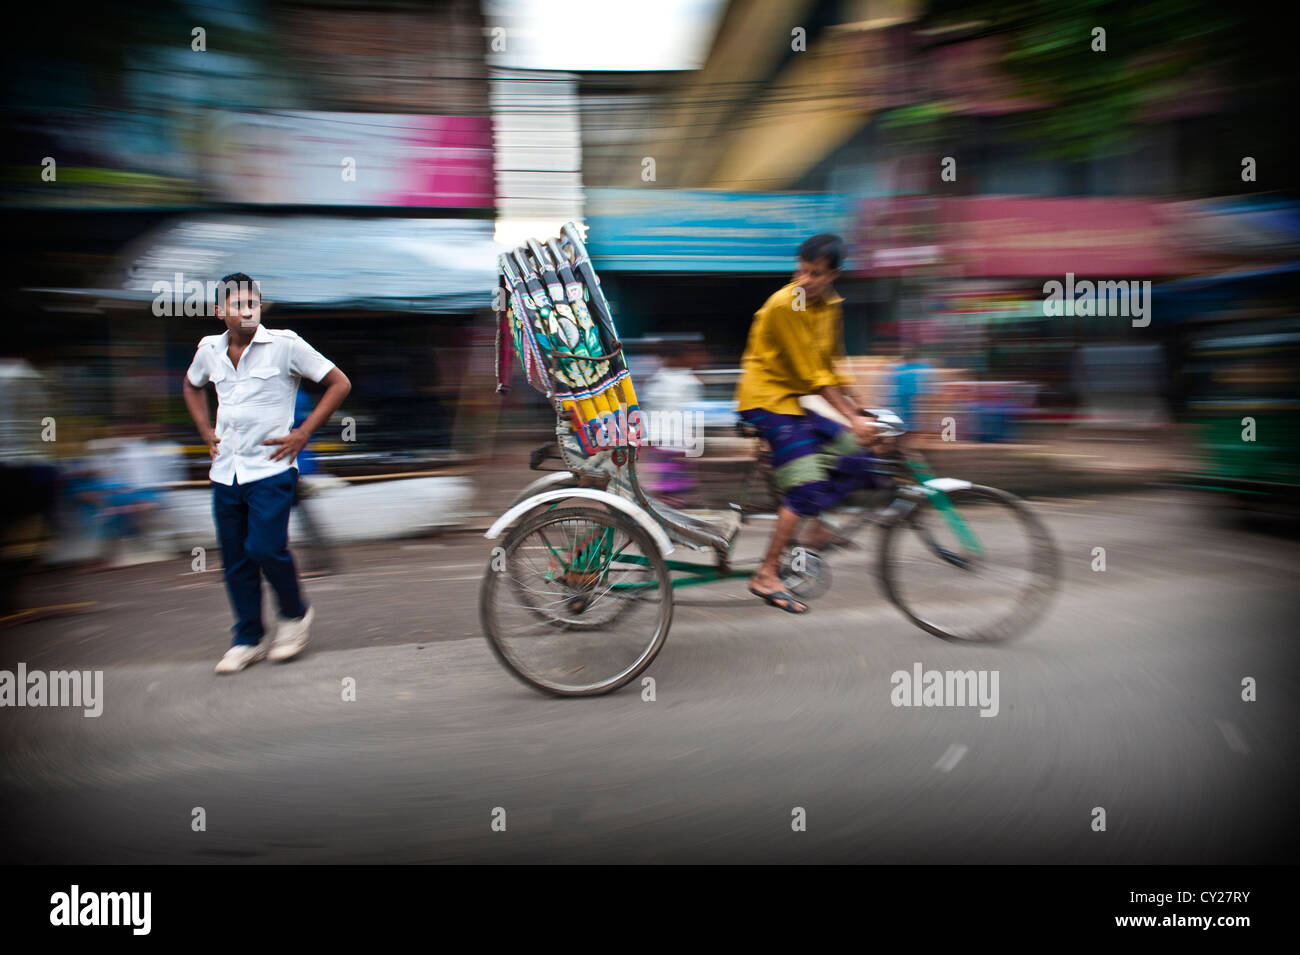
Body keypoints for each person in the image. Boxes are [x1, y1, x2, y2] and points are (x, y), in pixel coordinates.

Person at [182, 273, 351, 674]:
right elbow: (192, 386)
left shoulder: (285, 345)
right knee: (236, 560)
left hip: (271, 470)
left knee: (264, 548)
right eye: (237, 304)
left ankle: (294, 617)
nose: (246, 311)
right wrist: (205, 430)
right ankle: (248, 639)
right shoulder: (209, 349)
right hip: (226, 472)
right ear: (219, 311)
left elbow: (338, 383)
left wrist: (303, 433)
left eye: (252, 304)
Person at [735, 234, 881, 614]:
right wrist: (851, 415)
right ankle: (766, 572)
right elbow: (814, 376)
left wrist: (863, 409)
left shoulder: (831, 305)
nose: (805, 280)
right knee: (805, 485)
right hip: (765, 401)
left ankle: (815, 527)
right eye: (801, 270)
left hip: (792, 401)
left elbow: (833, 362)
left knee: (855, 454)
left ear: (834, 274)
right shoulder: (788, 304)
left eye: (815, 273)